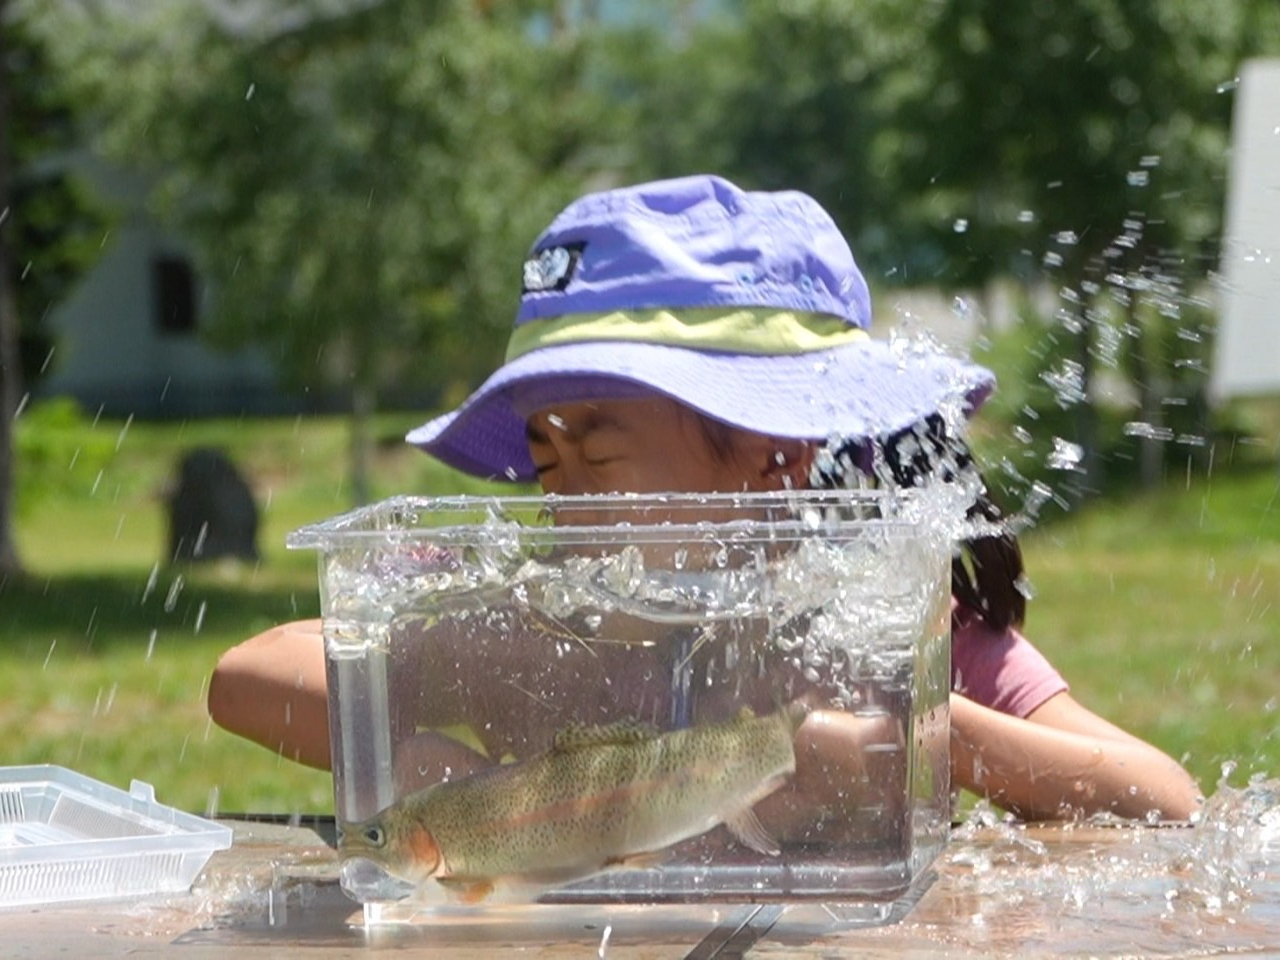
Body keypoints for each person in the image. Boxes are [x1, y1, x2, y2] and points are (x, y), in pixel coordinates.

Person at [208, 174, 1201, 823]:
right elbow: (245, 674)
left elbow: (1164, 798)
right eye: (543, 458)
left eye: (596, 451)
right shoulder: (548, 618)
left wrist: (924, 736)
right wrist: (445, 742)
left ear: (770, 452)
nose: (564, 500)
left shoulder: (872, 621)